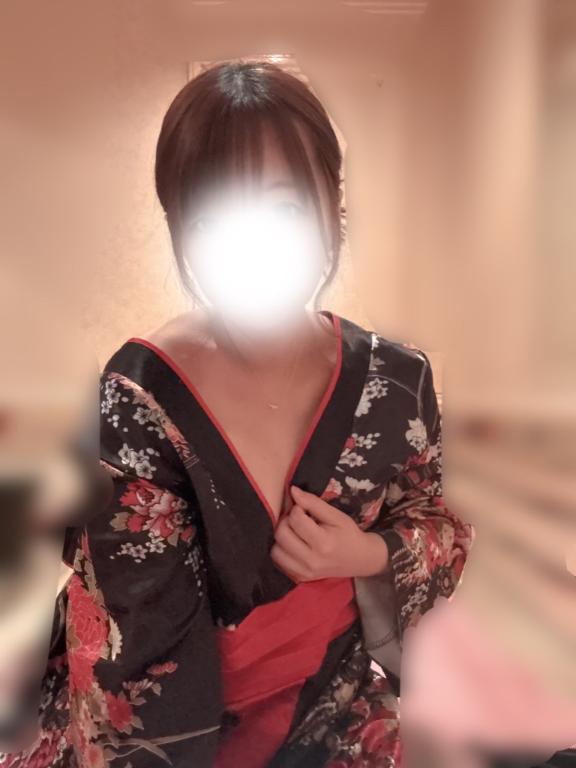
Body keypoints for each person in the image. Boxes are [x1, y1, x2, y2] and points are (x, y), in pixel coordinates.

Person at [4, 60, 472, 768]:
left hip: (335, 710)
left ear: (331, 202)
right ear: (180, 226)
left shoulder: (398, 382)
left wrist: (369, 554)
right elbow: (137, 663)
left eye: (284, 209)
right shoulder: (138, 399)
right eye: (216, 217)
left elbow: (436, 521)